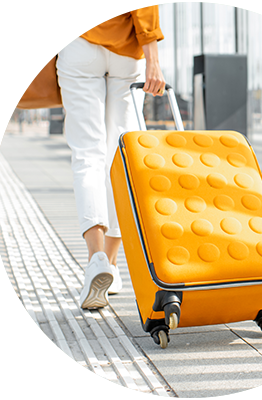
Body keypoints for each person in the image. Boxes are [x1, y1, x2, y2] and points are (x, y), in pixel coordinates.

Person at [56, 6, 165, 309]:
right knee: (118, 160)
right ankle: (113, 265)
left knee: (87, 155)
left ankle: (97, 259)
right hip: (127, 51)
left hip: (79, 45)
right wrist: (153, 60)